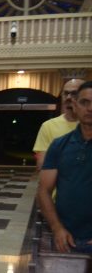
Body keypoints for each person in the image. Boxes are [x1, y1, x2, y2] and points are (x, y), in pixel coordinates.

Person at [36, 80, 92, 255]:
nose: (90, 108)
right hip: (66, 236)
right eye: (85, 102)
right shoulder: (60, 145)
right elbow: (44, 190)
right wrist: (57, 228)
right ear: (75, 105)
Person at [33, 78, 83, 169]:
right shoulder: (48, 126)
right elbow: (42, 165)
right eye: (66, 93)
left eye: (74, 93)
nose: (68, 97)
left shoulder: (87, 125)